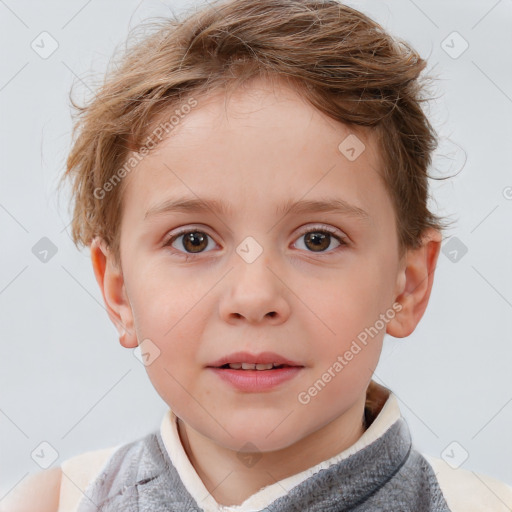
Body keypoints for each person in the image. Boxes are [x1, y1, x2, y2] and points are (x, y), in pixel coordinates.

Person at [4, 0, 512, 510]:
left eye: (318, 239)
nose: (254, 297)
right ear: (118, 294)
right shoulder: (52, 502)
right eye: (193, 241)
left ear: (408, 285)